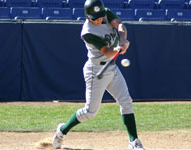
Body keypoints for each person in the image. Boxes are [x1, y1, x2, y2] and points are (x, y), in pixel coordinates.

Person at [52, 0, 146, 150]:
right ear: (88, 17)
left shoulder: (104, 13)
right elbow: (107, 52)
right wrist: (117, 49)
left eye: (100, 17)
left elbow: (120, 26)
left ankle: (134, 141)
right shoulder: (87, 32)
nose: (99, 20)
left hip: (112, 68)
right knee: (90, 112)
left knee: (126, 101)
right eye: (95, 18)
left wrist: (122, 40)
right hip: (96, 71)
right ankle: (62, 131)